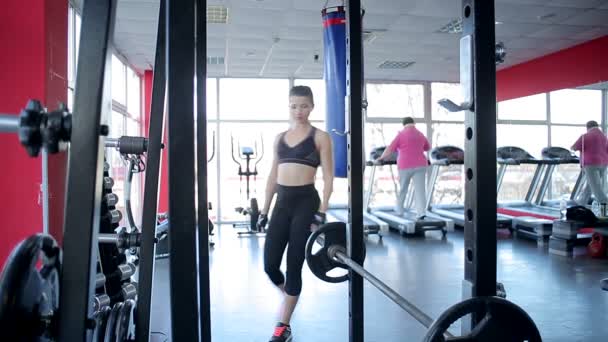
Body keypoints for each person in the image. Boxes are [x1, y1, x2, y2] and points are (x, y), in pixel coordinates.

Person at [257, 85, 334, 342]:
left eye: (303, 106)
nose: (298, 111)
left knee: (294, 265)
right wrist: (264, 210)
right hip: (282, 203)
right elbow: (271, 176)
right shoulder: (279, 138)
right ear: (288, 106)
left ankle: (283, 326)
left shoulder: (320, 137)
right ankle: (291, 296)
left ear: (312, 107)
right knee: (269, 265)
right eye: (293, 106)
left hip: (306, 202)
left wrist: (322, 211)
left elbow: (328, 177)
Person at [377, 117, 430, 219]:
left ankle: (399, 210)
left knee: (403, 189)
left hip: (405, 166)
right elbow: (427, 147)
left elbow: (390, 149)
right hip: (420, 165)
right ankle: (421, 212)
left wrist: (381, 157)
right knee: (420, 190)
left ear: (403, 124)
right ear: (413, 123)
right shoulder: (420, 134)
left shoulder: (401, 135)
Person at [571, 120, 608, 206]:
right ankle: (581, 203)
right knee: (590, 185)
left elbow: (574, 147)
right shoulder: (604, 137)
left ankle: (605, 204)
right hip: (604, 163)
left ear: (587, 127)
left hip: (591, 164)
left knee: (596, 187)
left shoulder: (585, 136)